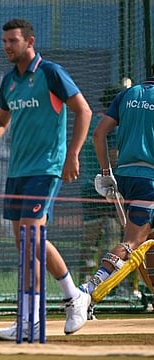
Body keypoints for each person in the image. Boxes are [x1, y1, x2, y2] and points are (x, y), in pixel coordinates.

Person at [0, 18, 93, 341]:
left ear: (30, 42)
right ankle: (61, 303)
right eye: (5, 41)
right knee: (25, 244)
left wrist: (73, 154)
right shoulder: (9, 81)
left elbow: (84, 111)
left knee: (29, 242)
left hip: (46, 168)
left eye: (13, 40)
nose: (7, 46)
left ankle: (44, 314)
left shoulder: (51, 73)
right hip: (17, 172)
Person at [79, 68, 154, 302]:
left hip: (125, 177)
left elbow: (99, 134)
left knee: (145, 239)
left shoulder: (127, 95)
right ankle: (88, 290)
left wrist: (106, 173)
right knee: (132, 241)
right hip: (149, 179)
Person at [80, 84, 125, 282]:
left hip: (89, 185)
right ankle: (121, 286)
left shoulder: (92, 122)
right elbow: (114, 156)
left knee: (90, 241)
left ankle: (84, 284)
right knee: (124, 238)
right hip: (111, 187)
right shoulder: (112, 124)